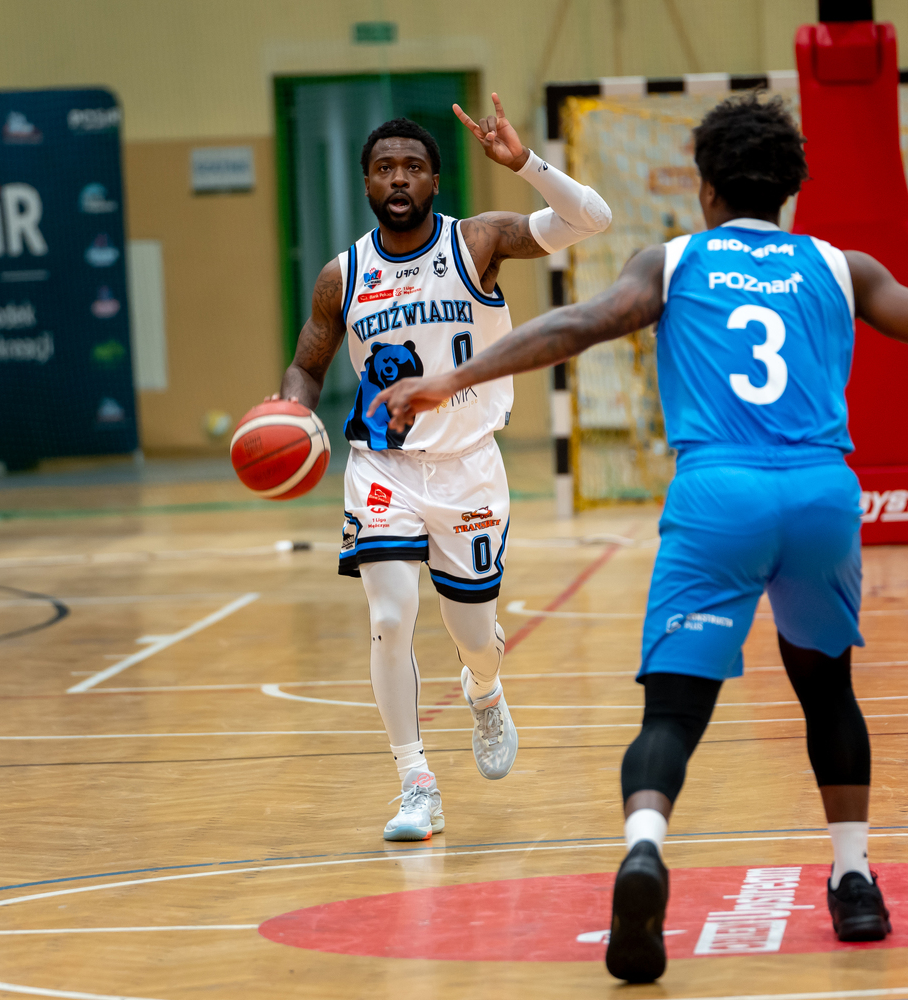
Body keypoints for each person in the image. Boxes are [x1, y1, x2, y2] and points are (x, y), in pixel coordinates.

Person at [370, 93, 908, 981]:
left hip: (718, 497)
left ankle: (646, 849)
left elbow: (575, 326)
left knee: (672, 711)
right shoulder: (841, 266)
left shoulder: (675, 261)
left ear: (705, 187)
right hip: (820, 495)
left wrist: (447, 381)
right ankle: (853, 880)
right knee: (829, 694)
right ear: (791, 187)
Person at [274, 96, 612, 842]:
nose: (399, 178)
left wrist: (525, 163)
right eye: (384, 168)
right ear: (367, 182)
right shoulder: (342, 276)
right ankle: (415, 782)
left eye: (413, 167)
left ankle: (483, 689)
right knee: (390, 615)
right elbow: (307, 365)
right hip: (383, 465)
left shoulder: (477, 242)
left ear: (434, 180)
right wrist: (289, 411)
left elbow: (593, 219)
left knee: (474, 634)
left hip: (469, 469)